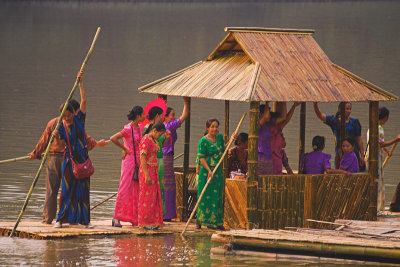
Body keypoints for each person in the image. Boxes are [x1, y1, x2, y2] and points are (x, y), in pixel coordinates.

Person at [53, 71, 106, 228]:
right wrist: (55, 135)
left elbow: (83, 101)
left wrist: (80, 84)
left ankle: (84, 221)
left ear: (72, 113)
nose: (67, 118)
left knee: (83, 191)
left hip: (82, 160)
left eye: (69, 115)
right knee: (67, 190)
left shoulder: (79, 120)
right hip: (69, 162)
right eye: (65, 116)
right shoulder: (61, 126)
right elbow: (59, 142)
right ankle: (60, 220)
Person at [110, 106, 145, 227]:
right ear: (138, 116)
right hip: (129, 161)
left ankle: (134, 217)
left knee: (136, 188)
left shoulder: (140, 128)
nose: (144, 116)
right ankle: (116, 217)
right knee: (124, 187)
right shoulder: (127, 129)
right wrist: (124, 148)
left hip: (138, 161)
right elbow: (113, 138)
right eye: (143, 114)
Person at [366, 107, 400, 211]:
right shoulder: (378, 128)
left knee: (376, 180)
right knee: (378, 182)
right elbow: (379, 143)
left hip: (371, 156)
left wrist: (386, 150)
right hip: (374, 158)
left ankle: (375, 206)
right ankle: (376, 208)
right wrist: (396, 140)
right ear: (386, 117)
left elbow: (376, 142)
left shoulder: (373, 127)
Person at [313, 102, 365, 170]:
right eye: (347, 109)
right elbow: (320, 116)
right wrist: (315, 104)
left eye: (350, 109)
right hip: (340, 153)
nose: (349, 111)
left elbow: (359, 139)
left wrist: (362, 155)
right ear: (341, 109)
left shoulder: (354, 122)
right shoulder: (334, 120)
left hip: (353, 152)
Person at [162, 97, 189, 221]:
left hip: (164, 157)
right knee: (168, 186)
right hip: (167, 157)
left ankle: (165, 213)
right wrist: (186, 102)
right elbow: (184, 115)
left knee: (166, 185)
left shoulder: (161, 126)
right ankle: (167, 214)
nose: (174, 117)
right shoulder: (170, 126)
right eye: (172, 115)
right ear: (166, 116)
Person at [196, 118, 224, 230]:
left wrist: (233, 139)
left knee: (216, 196)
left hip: (218, 172)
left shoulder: (220, 138)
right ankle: (201, 220)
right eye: (212, 126)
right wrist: (208, 170)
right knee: (204, 195)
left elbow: (223, 149)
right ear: (207, 128)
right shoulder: (203, 141)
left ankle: (216, 221)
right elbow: (201, 158)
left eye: (216, 126)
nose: (214, 129)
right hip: (206, 172)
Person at [143, 106, 171, 217]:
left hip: (160, 159)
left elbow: (159, 146)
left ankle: (161, 213)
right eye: (161, 115)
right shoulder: (148, 128)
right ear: (157, 116)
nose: (163, 117)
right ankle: (151, 213)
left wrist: (166, 138)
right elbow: (144, 147)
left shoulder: (160, 129)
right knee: (152, 188)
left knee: (161, 188)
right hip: (150, 161)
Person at [138, 122, 165, 230]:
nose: (159, 137)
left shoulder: (154, 140)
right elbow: (142, 158)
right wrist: (146, 174)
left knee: (154, 197)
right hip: (147, 170)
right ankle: (144, 222)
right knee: (146, 197)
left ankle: (153, 221)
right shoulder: (145, 140)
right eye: (159, 134)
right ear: (154, 131)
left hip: (154, 170)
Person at [270, 102, 300, 174]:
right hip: (269, 169)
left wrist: (293, 106)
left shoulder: (282, 152)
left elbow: (285, 119)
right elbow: (285, 119)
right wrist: (286, 103)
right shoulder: (270, 130)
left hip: (277, 171)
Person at [258, 102, 286, 175]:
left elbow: (283, 117)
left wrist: (284, 102)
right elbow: (266, 117)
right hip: (260, 157)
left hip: (269, 157)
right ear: (261, 114)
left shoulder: (269, 124)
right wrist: (267, 102)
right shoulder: (257, 124)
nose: (269, 115)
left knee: (268, 180)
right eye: (268, 112)